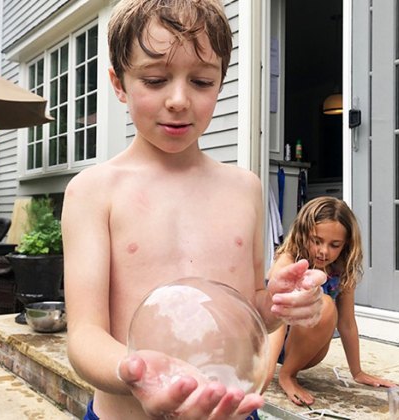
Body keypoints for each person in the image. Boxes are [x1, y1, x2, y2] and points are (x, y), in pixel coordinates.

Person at [62, 1, 326, 418]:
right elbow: (84, 335)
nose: (179, 100)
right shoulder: (94, 192)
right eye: (154, 80)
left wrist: (275, 303)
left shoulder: (245, 188)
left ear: (221, 83)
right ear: (118, 83)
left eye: (202, 82)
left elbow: (246, 315)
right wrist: (137, 371)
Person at [264, 196, 396, 407]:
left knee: (325, 304)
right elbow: (276, 319)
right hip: (269, 341)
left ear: (346, 245)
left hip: (307, 350)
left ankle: (290, 370)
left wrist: (358, 371)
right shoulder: (288, 261)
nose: (324, 251)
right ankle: (286, 376)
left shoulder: (341, 271)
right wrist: (267, 372)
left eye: (334, 245)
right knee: (321, 301)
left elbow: (347, 323)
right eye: (316, 241)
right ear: (302, 234)